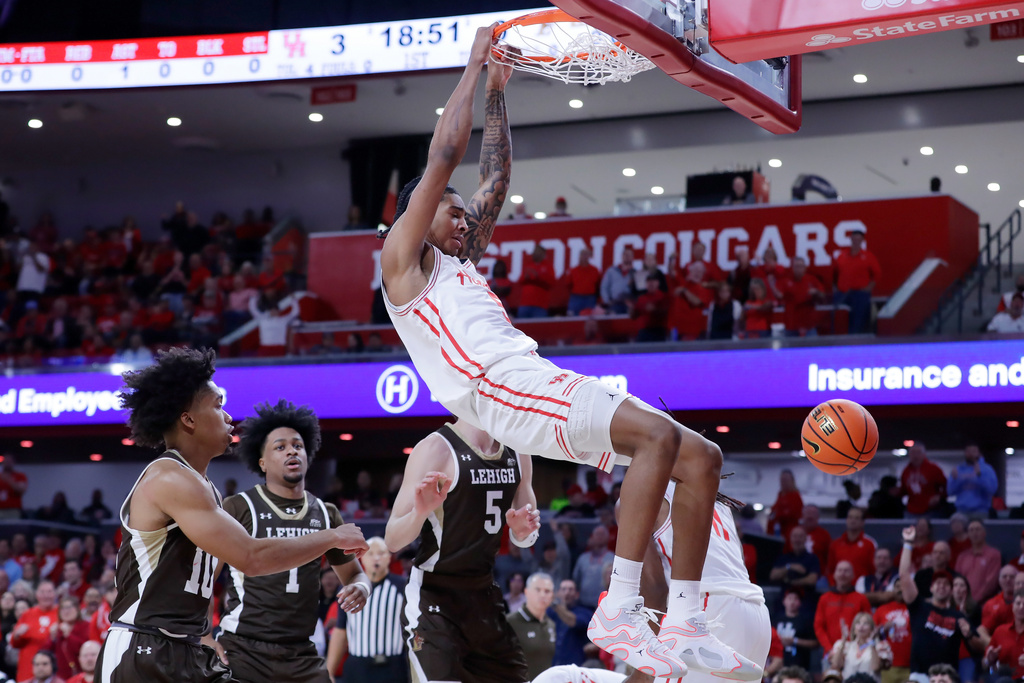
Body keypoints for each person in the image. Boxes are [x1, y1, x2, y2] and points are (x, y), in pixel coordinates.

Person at [377, 25, 756, 681]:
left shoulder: (463, 266)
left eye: (468, 216)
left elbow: (495, 173)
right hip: (496, 389)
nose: (464, 219)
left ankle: (688, 619)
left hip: (532, 377)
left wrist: (498, 88)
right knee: (658, 437)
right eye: (451, 212)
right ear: (419, 212)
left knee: (701, 457)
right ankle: (620, 605)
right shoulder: (404, 267)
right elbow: (445, 154)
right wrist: (471, 67)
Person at [95, 348, 367, 683]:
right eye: (217, 405)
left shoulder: (204, 487)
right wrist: (333, 537)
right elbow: (252, 558)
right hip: (143, 650)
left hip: (185, 649)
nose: (228, 417)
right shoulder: (170, 479)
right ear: (189, 419)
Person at [218, 400, 371, 683]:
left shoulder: (326, 513)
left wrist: (361, 587)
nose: (291, 450)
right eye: (280, 446)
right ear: (261, 462)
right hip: (242, 649)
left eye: (298, 445)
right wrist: (204, 636)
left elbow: (356, 574)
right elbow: (203, 579)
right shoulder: (238, 507)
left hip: (301, 652)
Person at [383, 418, 537, 683]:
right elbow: (393, 540)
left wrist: (522, 533)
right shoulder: (436, 448)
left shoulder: (518, 448)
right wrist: (420, 513)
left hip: (484, 597)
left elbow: (527, 535)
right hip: (434, 599)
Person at [898, 525, 979, 678]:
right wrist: (908, 543)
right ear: (931, 588)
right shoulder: (919, 606)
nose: (941, 586)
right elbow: (904, 575)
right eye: (938, 583)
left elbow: (977, 647)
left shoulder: (959, 616)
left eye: (946, 584)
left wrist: (969, 635)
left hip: (947, 677)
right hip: (919, 676)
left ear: (951, 590)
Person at [325, 538, 407, 683]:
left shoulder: (402, 587)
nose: (376, 558)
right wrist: (329, 670)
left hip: (394, 665)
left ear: (389, 557)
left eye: (381, 553)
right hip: (358, 666)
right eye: (371, 554)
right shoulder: (349, 588)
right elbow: (340, 630)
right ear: (361, 558)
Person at [814, 561, 872, 666]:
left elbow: (869, 626)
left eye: (846, 571)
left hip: (854, 654)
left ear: (853, 575)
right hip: (829, 653)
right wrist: (829, 649)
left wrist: (858, 648)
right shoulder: (825, 598)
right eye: (839, 570)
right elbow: (818, 626)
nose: (842, 574)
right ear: (834, 575)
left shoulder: (861, 599)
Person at [506, 572, 557, 680]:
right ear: (526, 592)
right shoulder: (509, 622)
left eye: (547, 591)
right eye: (537, 590)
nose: (542, 595)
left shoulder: (551, 625)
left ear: (552, 596)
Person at [833, 228, 881, 334]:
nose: (856, 241)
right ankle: (838, 340)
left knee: (858, 320)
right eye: (854, 239)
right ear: (851, 239)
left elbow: (877, 274)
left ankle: (855, 341)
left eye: (858, 239)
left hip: (860, 293)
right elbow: (835, 272)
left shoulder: (868, 256)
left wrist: (868, 288)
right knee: (838, 317)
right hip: (843, 293)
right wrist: (836, 288)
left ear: (862, 240)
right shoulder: (842, 255)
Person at [10, 581, 58, 682]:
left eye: (49, 591)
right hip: (27, 668)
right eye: (42, 592)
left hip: (54, 668)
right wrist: (17, 635)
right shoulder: (27, 614)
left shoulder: (61, 613)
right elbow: (14, 643)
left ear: (55, 594)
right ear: (36, 594)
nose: (46, 595)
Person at [954, 519, 1002, 603]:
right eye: (971, 530)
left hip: (984, 603)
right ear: (968, 534)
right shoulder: (962, 556)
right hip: (962, 602)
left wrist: (974, 601)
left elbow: (991, 583)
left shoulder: (994, 554)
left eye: (977, 529)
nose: (974, 533)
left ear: (984, 533)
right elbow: (957, 580)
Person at [549, 579, 593, 667]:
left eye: (570, 589)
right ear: (558, 593)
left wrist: (555, 604)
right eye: (563, 589)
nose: (567, 593)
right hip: (553, 664)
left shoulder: (585, 613)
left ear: (577, 594)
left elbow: (572, 621)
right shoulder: (550, 612)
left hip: (575, 666)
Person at [826, 507, 876, 583]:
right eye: (850, 517)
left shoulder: (870, 544)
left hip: (862, 588)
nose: (853, 521)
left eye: (856, 518)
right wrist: (834, 586)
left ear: (862, 522)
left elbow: (873, 570)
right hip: (839, 587)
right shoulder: (835, 544)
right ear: (846, 520)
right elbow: (831, 569)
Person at [829, 612, 882, 681]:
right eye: (858, 623)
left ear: (872, 629)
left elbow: (875, 667)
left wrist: (872, 643)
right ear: (854, 629)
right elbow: (835, 665)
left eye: (865, 623)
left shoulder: (879, 646)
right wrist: (844, 640)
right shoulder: (846, 645)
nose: (861, 626)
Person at [983, 589, 1024, 680]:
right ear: (1012, 606)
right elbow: (984, 664)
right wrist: (989, 660)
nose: (1021, 607)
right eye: (1018, 603)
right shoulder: (1000, 631)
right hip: (1003, 679)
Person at [948, 444, 998, 516]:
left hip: (980, 511)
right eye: (968, 451)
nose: (971, 454)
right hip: (961, 511)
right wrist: (956, 480)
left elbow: (991, 490)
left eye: (974, 451)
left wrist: (979, 476)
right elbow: (950, 492)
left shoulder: (987, 469)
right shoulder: (958, 469)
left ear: (979, 453)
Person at [902, 443, 948, 518]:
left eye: (918, 452)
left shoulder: (934, 469)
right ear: (909, 454)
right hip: (911, 510)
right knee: (909, 529)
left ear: (924, 454)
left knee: (927, 529)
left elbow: (946, 486)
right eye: (913, 453)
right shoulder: (906, 471)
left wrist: (939, 496)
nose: (915, 456)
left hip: (930, 511)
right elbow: (903, 490)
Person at [874, 592, 911, 683]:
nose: (900, 589)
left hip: (912, 664)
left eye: (903, 586)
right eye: (897, 586)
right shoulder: (882, 609)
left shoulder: (917, 608)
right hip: (888, 666)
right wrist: (883, 628)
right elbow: (871, 634)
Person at [775, 590, 818, 670]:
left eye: (796, 599)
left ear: (800, 602)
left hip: (800, 664)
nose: (792, 602)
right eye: (789, 598)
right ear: (784, 601)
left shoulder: (806, 621)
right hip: (778, 663)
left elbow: (815, 643)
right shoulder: (775, 620)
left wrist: (794, 641)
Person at [769, 526, 820, 592]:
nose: (797, 540)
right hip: (785, 597)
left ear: (805, 539)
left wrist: (791, 582)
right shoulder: (784, 558)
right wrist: (790, 567)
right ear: (790, 539)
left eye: (800, 536)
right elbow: (773, 576)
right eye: (795, 536)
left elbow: (812, 580)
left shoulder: (812, 558)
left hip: (805, 598)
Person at [49, 597, 89, 680]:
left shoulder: (86, 626)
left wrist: (68, 635)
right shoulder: (56, 629)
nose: (66, 611)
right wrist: (51, 638)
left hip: (80, 674)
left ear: (77, 609)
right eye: (62, 608)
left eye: (69, 607)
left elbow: (84, 649)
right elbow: (45, 652)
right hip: (60, 677)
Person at [518, 245, 555, 318]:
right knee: (522, 327)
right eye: (535, 251)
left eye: (537, 251)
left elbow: (551, 282)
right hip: (525, 304)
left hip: (540, 305)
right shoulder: (528, 265)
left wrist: (538, 276)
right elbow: (520, 280)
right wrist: (527, 277)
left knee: (538, 328)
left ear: (543, 254)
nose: (535, 253)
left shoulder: (548, 267)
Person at [767, 469, 803, 541]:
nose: (783, 483)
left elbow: (793, 514)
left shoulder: (795, 497)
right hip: (776, 535)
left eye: (786, 480)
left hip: (789, 536)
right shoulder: (780, 495)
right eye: (782, 480)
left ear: (792, 481)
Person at [600, 247, 637, 314]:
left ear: (632, 257)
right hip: (614, 304)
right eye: (625, 254)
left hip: (629, 305)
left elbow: (639, 291)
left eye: (629, 255)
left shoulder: (635, 273)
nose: (627, 257)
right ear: (622, 256)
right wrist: (607, 301)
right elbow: (604, 287)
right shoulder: (611, 271)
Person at [566, 248, 601, 316]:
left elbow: (598, 284)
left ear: (590, 256)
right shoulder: (573, 270)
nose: (584, 257)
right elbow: (568, 284)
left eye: (586, 255)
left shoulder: (594, 270)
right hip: (576, 297)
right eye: (582, 254)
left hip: (590, 298)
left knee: (589, 318)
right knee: (573, 319)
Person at [800, 505, 832, 572]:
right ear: (802, 516)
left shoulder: (824, 535)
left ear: (818, 517)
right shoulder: (795, 533)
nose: (810, 516)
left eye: (813, 514)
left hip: (819, 574)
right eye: (808, 513)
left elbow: (830, 557)